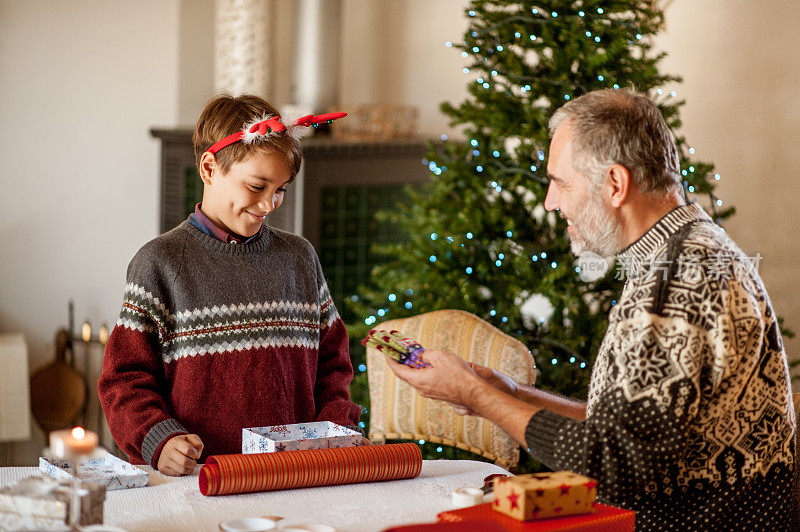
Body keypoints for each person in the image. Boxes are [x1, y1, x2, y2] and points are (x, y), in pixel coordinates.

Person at [387, 89, 796, 530]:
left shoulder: (677, 280)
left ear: (615, 184)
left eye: (560, 182)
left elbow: (612, 463)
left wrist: (475, 396)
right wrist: (510, 392)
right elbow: (629, 431)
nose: (550, 201)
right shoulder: (684, 249)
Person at [99, 94, 361, 476]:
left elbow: (334, 366)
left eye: (280, 189)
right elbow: (124, 381)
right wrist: (158, 438)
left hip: (293, 475)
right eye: (256, 186)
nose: (270, 204)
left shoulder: (300, 258)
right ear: (209, 168)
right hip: (197, 481)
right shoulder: (159, 264)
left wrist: (337, 428)